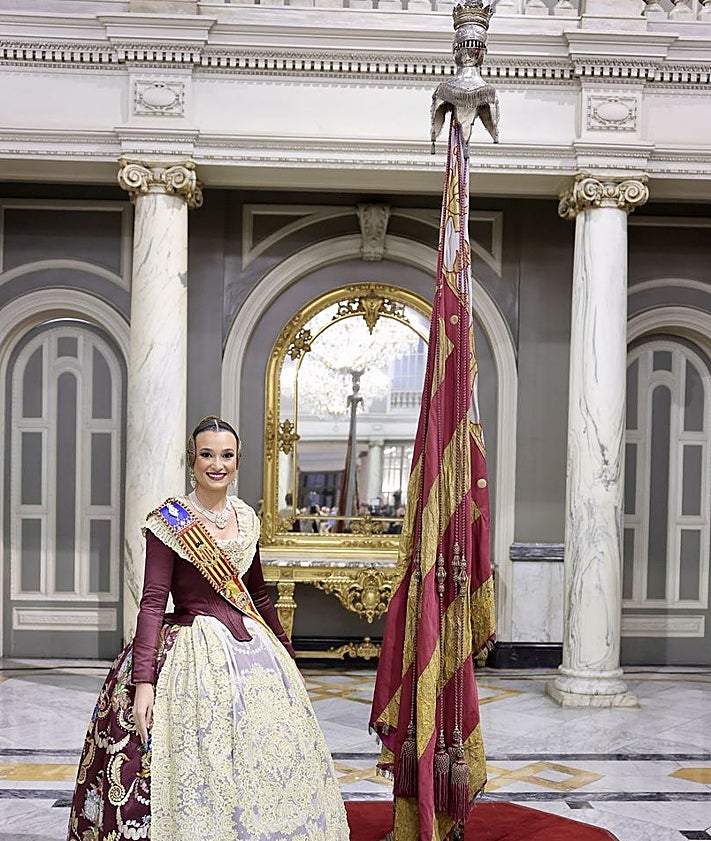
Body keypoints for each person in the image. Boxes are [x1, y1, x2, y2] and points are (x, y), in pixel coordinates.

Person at [67, 415, 349, 841]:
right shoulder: (169, 522)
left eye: (227, 455)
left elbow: (258, 595)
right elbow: (152, 603)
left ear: (237, 463)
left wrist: (287, 657)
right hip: (191, 653)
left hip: (254, 653)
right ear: (192, 460)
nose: (217, 464)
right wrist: (143, 681)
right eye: (207, 455)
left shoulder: (247, 518)